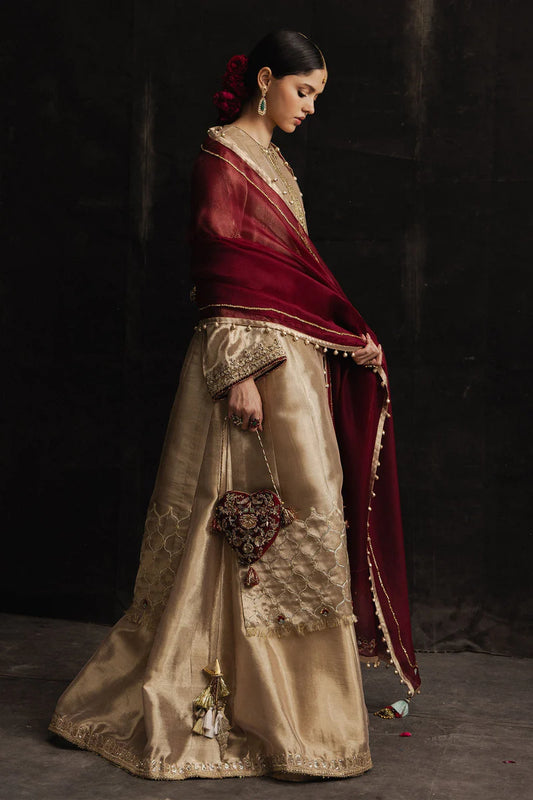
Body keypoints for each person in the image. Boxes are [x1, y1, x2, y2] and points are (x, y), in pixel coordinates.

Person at [48, 29, 420, 782]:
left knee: (303, 509)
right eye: (302, 91)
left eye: (316, 95)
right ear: (265, 79)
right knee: (231, 520)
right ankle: (214, 705)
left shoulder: (276, 163)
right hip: (245, 365)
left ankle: (300, 717)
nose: (309, 107)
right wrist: (239, 372)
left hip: (297, 369)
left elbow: (292, 277)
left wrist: (345, 338)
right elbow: (220, 270)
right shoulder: (221, 157)